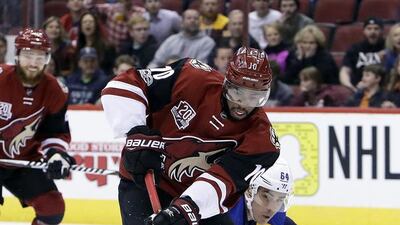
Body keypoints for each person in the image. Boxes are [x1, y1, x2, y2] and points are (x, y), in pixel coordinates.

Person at [101, 46, 281, 225]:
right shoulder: (192, 77)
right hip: (144, 182)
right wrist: (136, 132)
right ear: (227, 83)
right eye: (238, 94)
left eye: (254, 98)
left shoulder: (262, 141)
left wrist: (184, 209)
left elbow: (222, 180)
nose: (243, 105)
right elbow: (123, 84)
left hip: (200, 201)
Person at [0, 28, 75, 225]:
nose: (33, 63)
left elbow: (55, 131)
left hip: (24, 161)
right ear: (16, 55)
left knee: (52, 208)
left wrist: (57, 154)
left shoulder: (56, 90)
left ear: (48, 58)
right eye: (28, 55)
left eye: (40, 56)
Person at [229, 157, 296, 225]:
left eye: (280, 200)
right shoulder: (226, 215)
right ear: (249, 191)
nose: (272, 209)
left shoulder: (270, 210)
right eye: (266, 197)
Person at [339, 17, 385, 92]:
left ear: (382, 31)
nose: (372, 32)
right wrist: (350, 87)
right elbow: (344, 71)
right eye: (369, 29)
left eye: (376, 29)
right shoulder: (355, 49)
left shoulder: (388, 48)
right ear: (364, 31)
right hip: (356, 89)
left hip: (381, 91)